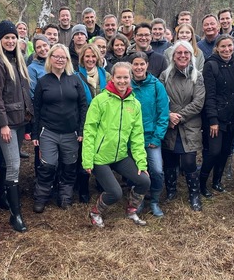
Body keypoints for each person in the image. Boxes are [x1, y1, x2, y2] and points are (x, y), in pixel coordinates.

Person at [82, 62, 151, 228]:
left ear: (131, 78)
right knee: (115, 192)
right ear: (112, 78)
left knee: (144, 181)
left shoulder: (134, 104)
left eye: (125, 77)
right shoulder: (100, 100)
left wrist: (141, 162)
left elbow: (137, 136)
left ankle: (132, 210)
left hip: (120, 155)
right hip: (100, 157)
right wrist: (87, 159)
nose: (122, 81)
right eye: (118, 77)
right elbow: (89, 130)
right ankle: (95, 212)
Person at [0, 20, 33, 233]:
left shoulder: (19, 61)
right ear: (0, 40)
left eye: (13, 38)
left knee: (11, 166)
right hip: (7, 125)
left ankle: (4, 201)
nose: (11, 41)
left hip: (20, 120)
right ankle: (16, 216)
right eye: (7, 38)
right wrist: (3, 125)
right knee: (13, 165)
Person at [32, 44, 88, 212]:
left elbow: (83, 105)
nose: (60, 60)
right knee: (48, 166)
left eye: (63, 57)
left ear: (68, 60)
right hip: (48, 131)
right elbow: (36, 109)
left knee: (69, 165)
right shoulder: (43, 82)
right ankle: (41, 197)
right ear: (50, 59)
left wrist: (81, 129)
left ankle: (65, 197)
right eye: (56, 56)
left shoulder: (75, 79)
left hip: (71, 132)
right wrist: (35, 133)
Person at [160, 41, 205, 211]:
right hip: (169, 124)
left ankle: (194, 194)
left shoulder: (197, 76)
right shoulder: (165, 75)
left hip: (189, 124)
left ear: (191, 56)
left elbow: (199, 102)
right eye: (178, 53)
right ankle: (171, 191)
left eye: (186, 53)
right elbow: (161, 98)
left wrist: (179, 116)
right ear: (173, 56)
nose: (182, 56)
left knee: (189, 162)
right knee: (170, 159)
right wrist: (168, 115)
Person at [200, 34, 234, 198]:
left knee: (225, 151)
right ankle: (202, 184)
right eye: (223, 46)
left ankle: (216, 181)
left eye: (229, 46)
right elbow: (209, 95)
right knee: (214, 152)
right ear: (217, 48)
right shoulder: (211, 65)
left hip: (233, 117)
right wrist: (212, 120)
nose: (226, 49)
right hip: (216, 119)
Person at [130, 53, 169, 217]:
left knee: (157, 170)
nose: (139, 68)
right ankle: (137, 201)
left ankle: (154, 200)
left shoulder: (156, 85)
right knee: (136, 172)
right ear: (131, 66)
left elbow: (163, 113)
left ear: (147, 65)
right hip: (132, 139)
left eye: (142, 64)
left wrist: (157, 137)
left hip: (152, 137)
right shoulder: (126, 84)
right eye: (135, 64)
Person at [75, 43, 110, 203]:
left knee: (102, 153)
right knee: (85, 154)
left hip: (104, 121)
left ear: (98, 57)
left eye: (93, 56)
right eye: (87, 56)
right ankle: (83, 190)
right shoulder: (75, 76)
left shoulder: (107, 76)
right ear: (82, 58)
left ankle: (102, 183)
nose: (90, 59)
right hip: (85, 120)